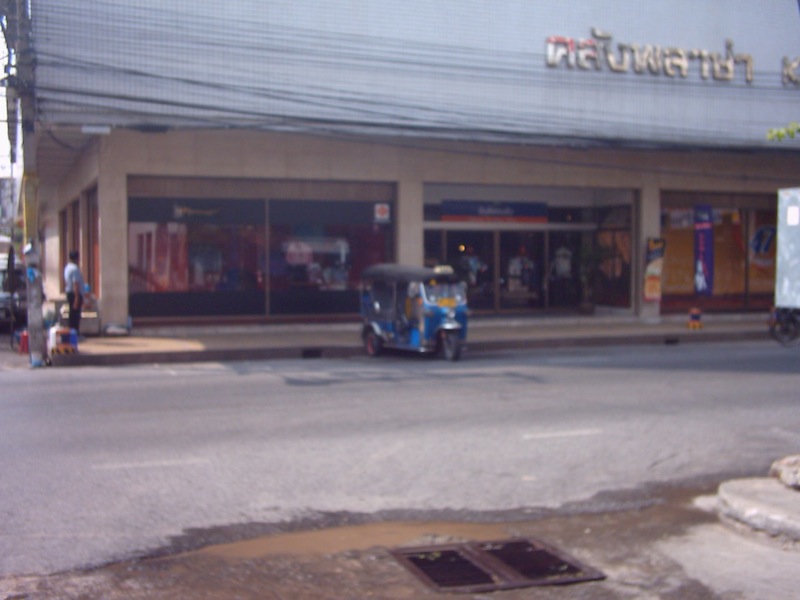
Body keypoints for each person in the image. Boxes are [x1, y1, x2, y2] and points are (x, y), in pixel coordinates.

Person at [64, 250, 85, 333]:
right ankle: (75, 333)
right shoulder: (75, 269)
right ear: (77, 259)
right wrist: (77, 298)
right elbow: (76, 284)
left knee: (71, 314)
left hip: (69, 293)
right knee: (75, 315)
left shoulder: (67, 267)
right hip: (75, 294)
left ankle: (72, 332)